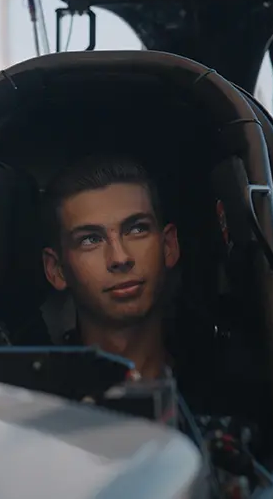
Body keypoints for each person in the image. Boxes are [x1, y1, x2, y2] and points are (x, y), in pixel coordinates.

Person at [40, 155, 180, 381]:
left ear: (169, 246)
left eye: (137, 230)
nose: (120, 258)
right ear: (56, 269)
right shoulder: (31, 397)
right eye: (90, 240)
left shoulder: (227, 390)